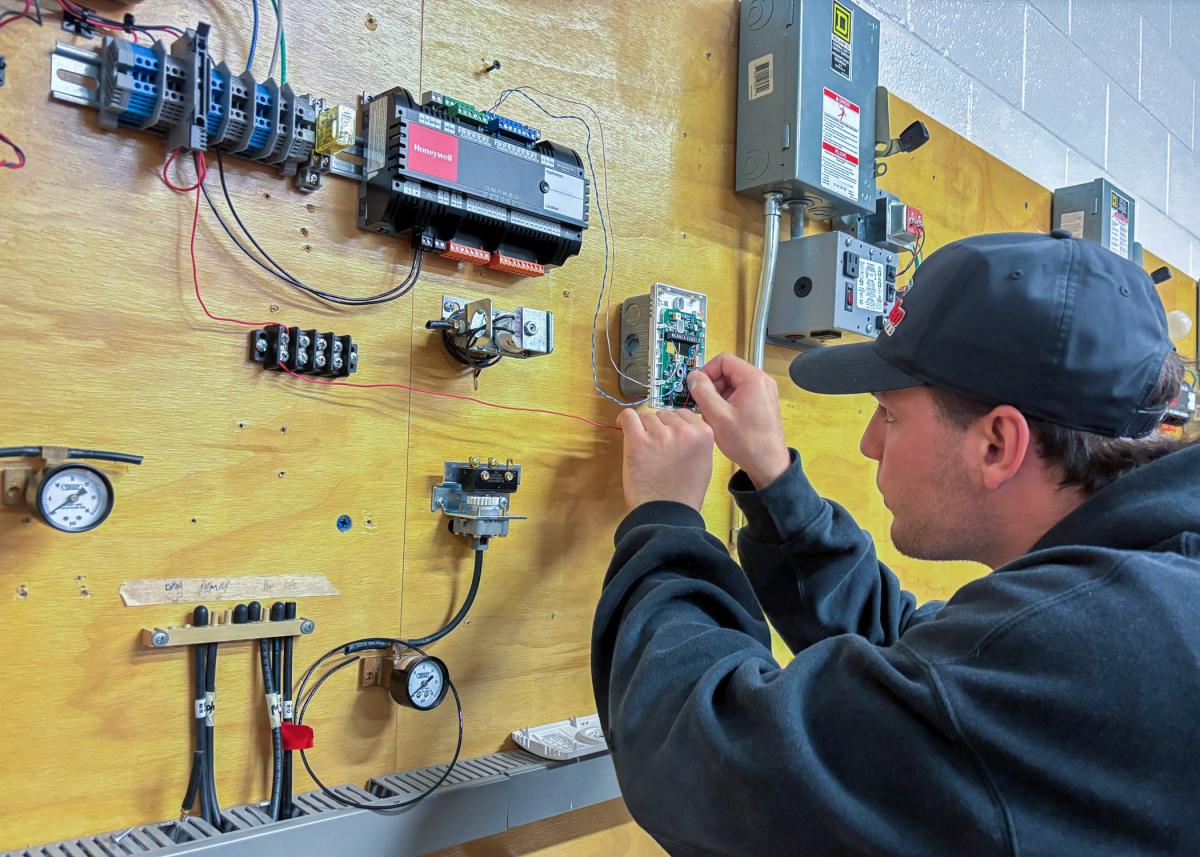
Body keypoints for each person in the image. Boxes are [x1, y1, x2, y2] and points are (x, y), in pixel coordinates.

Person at [591, 231, 1200, 856]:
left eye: (889, 414)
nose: (868, 444)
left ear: (997, 445)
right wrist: (774, 480)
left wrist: (665, 517)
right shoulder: (1143, 588)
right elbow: (916, 659)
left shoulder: (1087, 647)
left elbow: (709, 758)